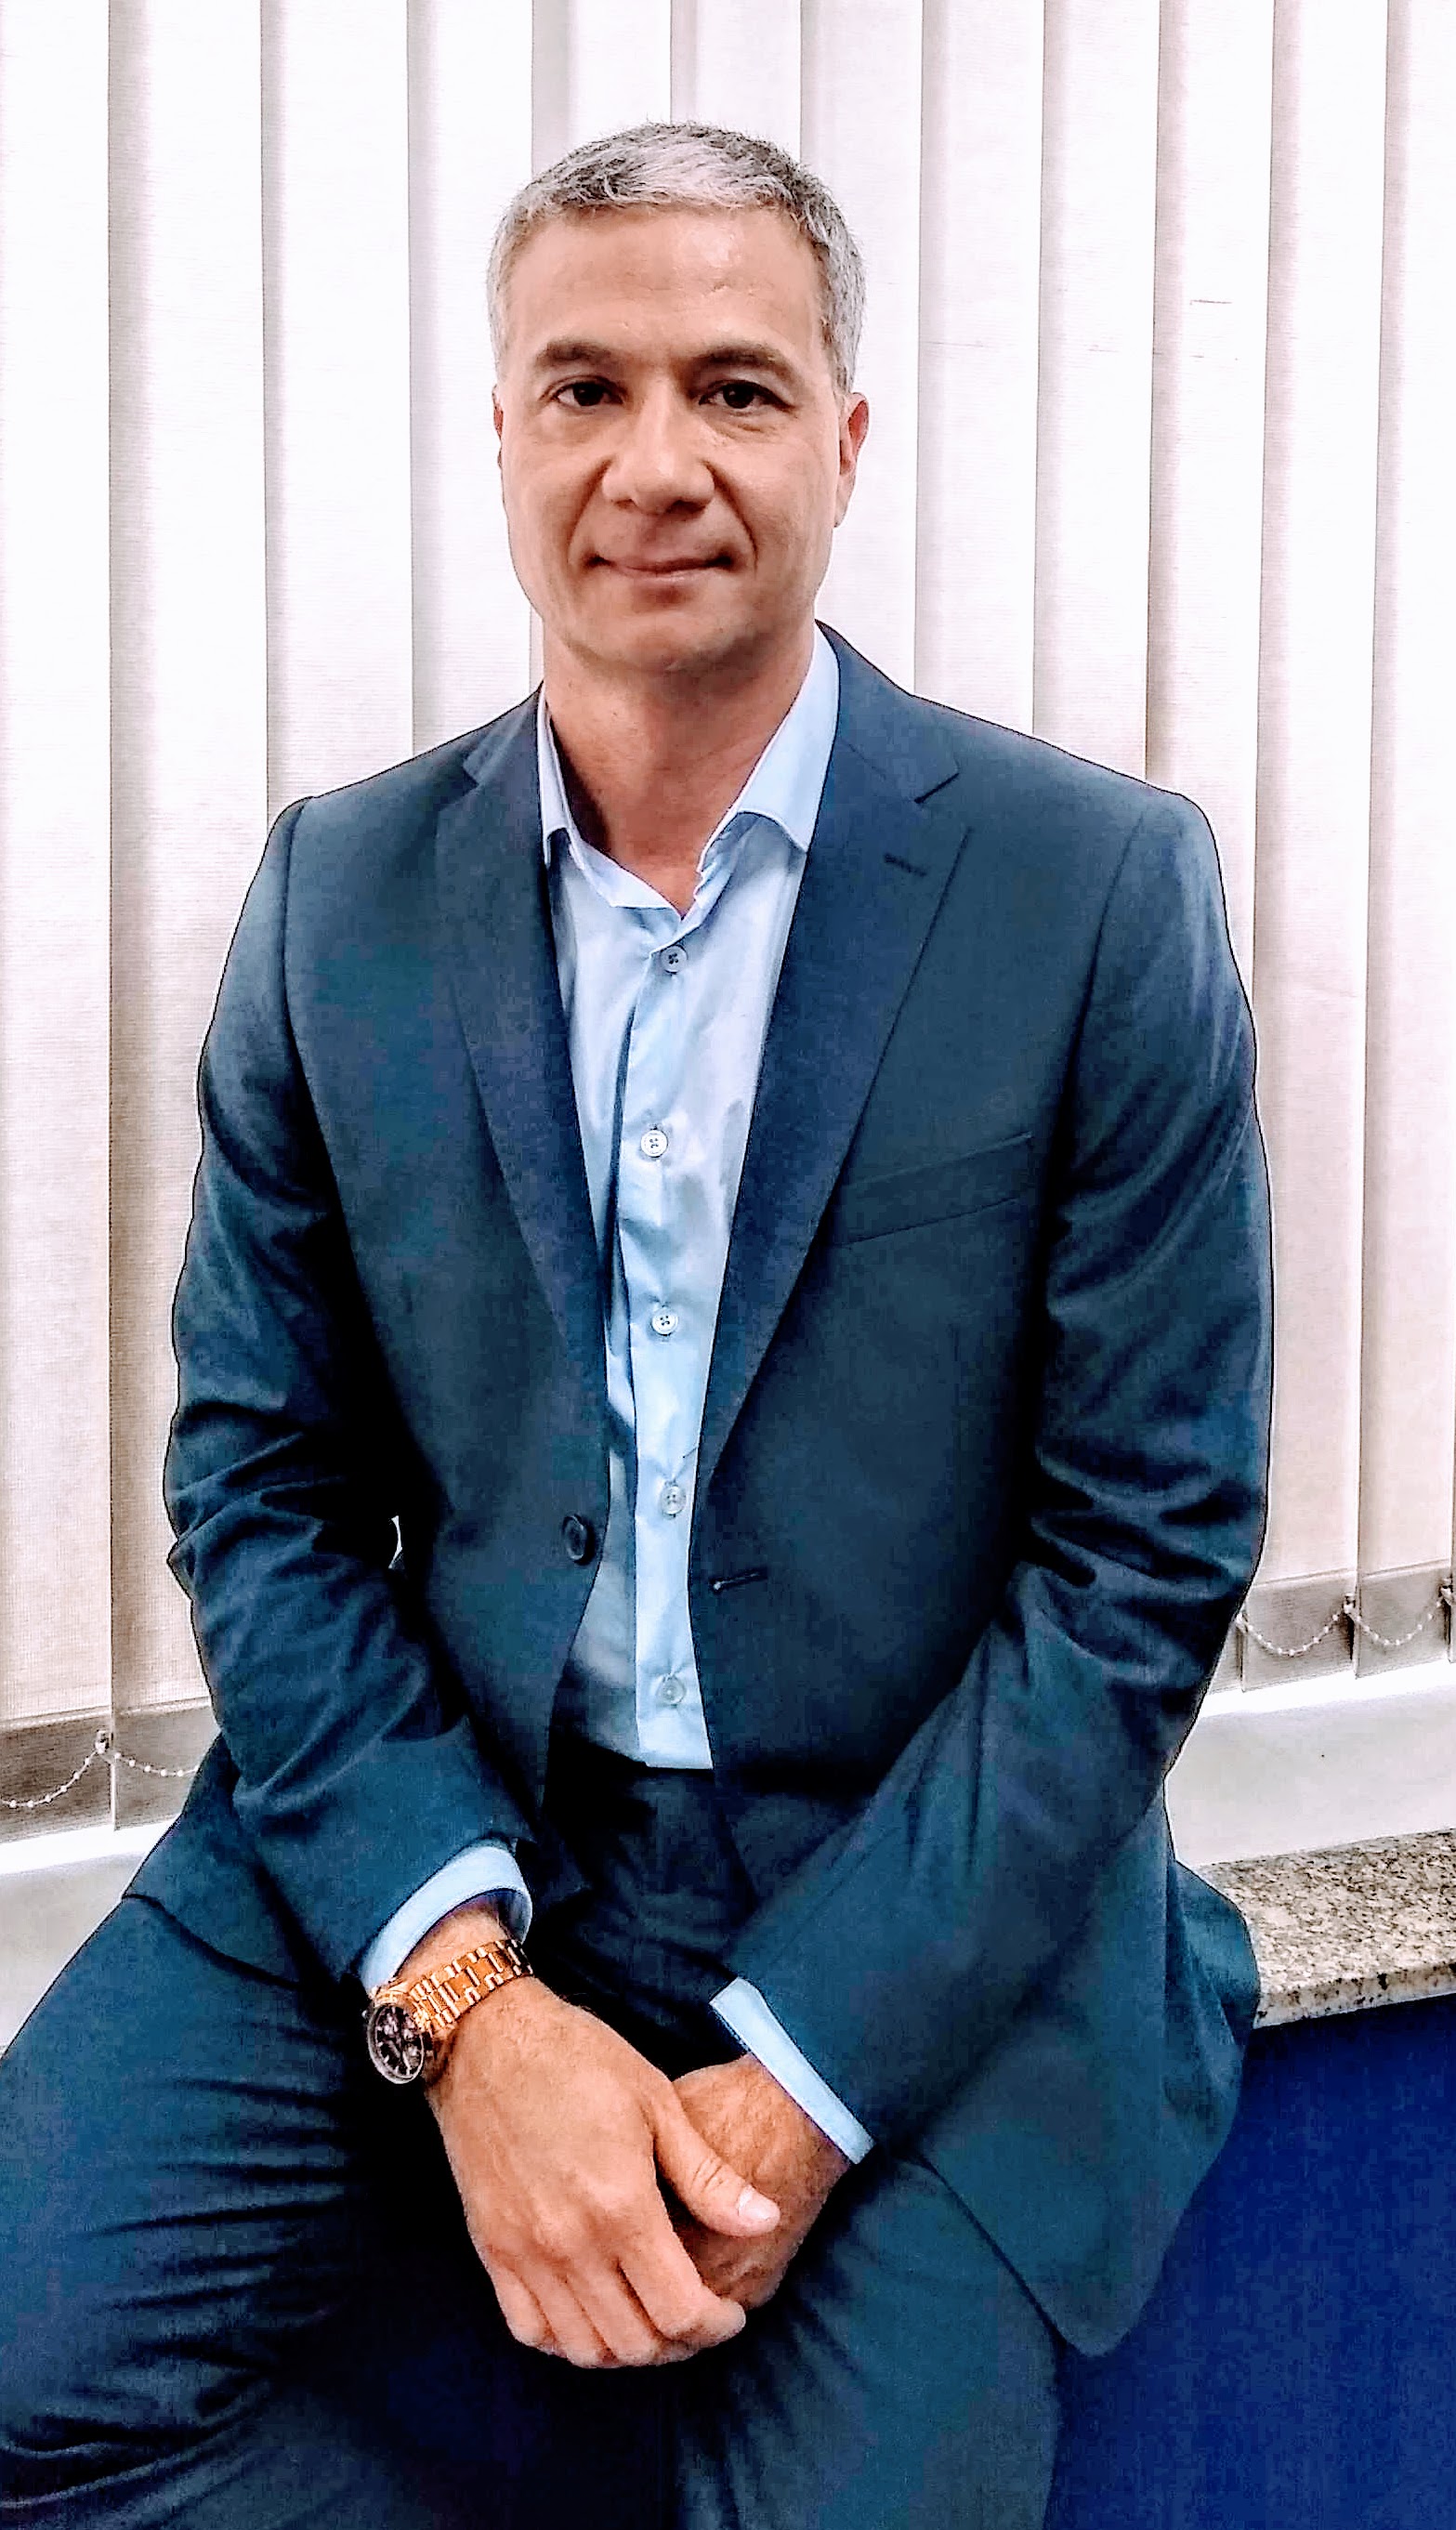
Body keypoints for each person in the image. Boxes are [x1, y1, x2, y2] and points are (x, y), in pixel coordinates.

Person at [0, 121, 1271, 2530]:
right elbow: (259, 1492)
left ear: (844, 438)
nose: (656, 462)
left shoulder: (1093, 892)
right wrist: (469, 2006)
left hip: (903, 1883)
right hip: (433, 1816)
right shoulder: (336, 897)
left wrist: (798, 2082)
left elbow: (1139, 1559)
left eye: (735, 388)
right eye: (586, 388)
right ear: (502, 432)